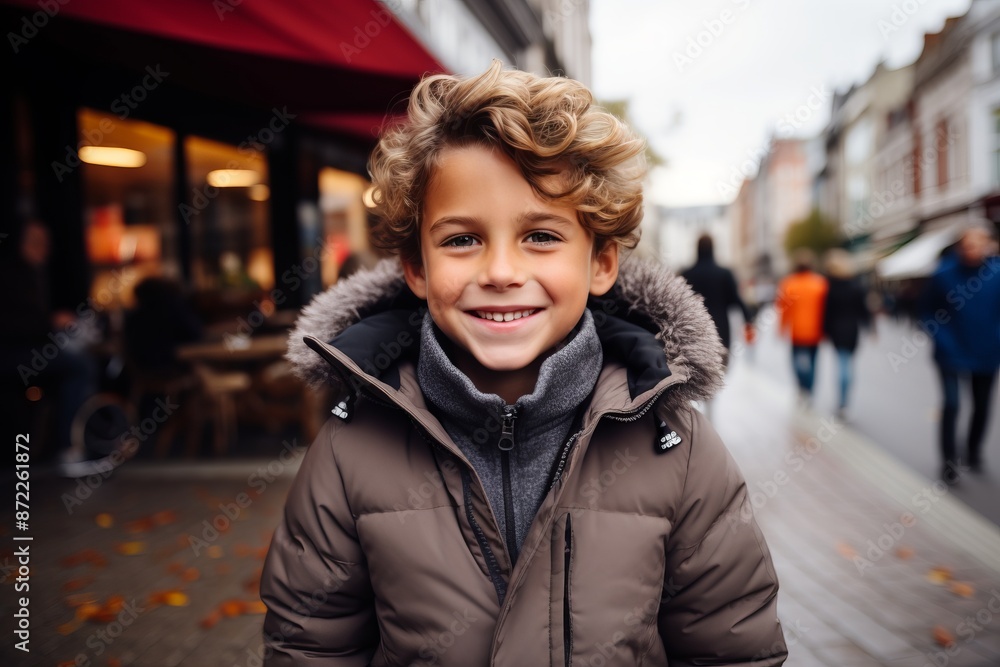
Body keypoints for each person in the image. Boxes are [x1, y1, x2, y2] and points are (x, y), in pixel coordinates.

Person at [261, 62, 786, 666]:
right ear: (416, 267)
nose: (502, 272)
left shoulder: (675, 446)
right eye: (462, 239)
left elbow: (731, 648)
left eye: (541, 236)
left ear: (601, 263)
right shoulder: (351, 447)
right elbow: (310, 647)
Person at [0, 219, 107, 476]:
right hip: (10, 355)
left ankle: (76, 441)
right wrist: (51, 322)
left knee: (79, 362)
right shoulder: (11, 274)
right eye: (37, 242)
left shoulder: (38, 274)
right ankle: (68, 448)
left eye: (46, 242)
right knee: (80, 367)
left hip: (29, 350)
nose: (44, 247)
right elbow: (12, 325)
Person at [919, 225, 1000, 485]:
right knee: (952, 404)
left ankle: (973, 450)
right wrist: (942, 339)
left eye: (979, 243)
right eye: (968, 244)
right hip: (950, 352)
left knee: (982, 405)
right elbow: (926, 311)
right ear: (959, 247)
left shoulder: (996, 274)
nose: (973, 250)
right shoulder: (943, 274)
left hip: (987, 350)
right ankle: (949, 461)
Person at [681, 233, 755, 366]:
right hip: (720, 332)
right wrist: (748, 320)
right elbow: (736, 300)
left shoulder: (687, 275)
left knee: (698, 378)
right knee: (719, 374)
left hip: (694, 334)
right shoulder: (724, 274)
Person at [822, 249, 872, 418]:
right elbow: (863, 310)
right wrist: (870, 327)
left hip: (837, 330)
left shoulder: (830, 287)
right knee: (848, 364)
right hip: (852, 330)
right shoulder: (855, 285)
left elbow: (826, 312)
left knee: (842, 364)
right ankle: (845, 402)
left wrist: (825, 330)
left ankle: (842, 402)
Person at [776, 248, 828, 405]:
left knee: (797, 361)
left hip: (797, 331)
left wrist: (781, 328)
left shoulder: (789, 284)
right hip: (816, 331)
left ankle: (801, 388)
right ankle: (809, 390)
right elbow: (826, 309)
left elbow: (783, 309)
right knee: (812, 362)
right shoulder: (820, 283)